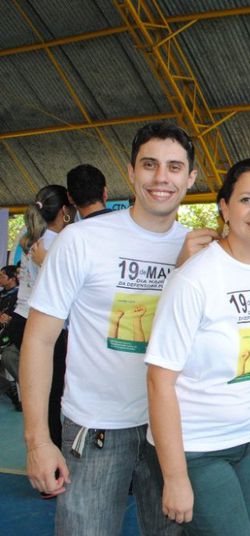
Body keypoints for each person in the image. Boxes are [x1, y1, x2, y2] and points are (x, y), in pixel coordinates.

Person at [20, 121, 195, 534]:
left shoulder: (201, 249)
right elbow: (40, 340)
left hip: (173, 428)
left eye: (174, 167)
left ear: (191, 177)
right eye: (149, 164)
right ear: (131, 172)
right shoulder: (81, 241)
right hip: (95, 427)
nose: (161, 178)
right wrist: (38, 441)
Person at [146, 158, 250, 535]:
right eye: (246, 200)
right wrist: (176, 476)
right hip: (197, 450)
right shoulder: (194, 279)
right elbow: (159, 381)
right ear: (225, 208)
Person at [8, 185, 75, 449]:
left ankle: (45, 455)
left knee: (41, 399)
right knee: (52, 397)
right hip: (46, 327)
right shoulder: (61, 243)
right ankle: (52, 457)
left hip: (21, 319)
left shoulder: (29, 236)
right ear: (64, 211)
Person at [0, 265, 20, 408]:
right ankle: (8, 386)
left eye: (2, 276)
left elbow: (9, 319)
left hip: (9, 337)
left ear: (12, 279)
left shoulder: (19, 298)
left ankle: (9, 387)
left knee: (8, 355)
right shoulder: (2, 296)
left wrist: (9, 318)